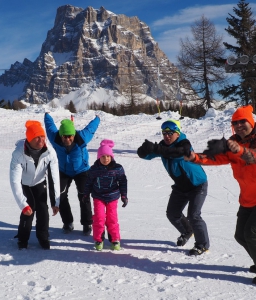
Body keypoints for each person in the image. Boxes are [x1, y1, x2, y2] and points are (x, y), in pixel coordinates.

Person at [184, 105, 256, 283]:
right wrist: (195, 158)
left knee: (251, 234)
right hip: (247, 198)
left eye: (242, 121)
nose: (239, 125)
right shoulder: (233, 142)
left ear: (251, 122)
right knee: (240, 236)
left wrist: (239, 150)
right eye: (235, 123)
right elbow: (217, 158)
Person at [137, 119, 210, 256]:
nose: (167, 136)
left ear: (178, 133)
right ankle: (187, 231)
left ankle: (202, 245)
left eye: (170, 133)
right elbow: (147, 155)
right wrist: (143, 150)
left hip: (197, 185)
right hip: (181, 187)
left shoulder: (184, 144)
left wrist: (157, 149)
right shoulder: (164, 146)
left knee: (194, 215)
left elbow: (178, 153)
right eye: (164, 133)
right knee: (172, 213)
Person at [44, 113, 100, 236]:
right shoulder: (55, 138)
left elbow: (91, 128)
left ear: (74, 135)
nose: (67, 139)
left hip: (82, 170)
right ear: (61, 135)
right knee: (61, 196)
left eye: (69, 136)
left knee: (84, 195)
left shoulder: (83, 138)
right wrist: (47, 115)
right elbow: (49, 126)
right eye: (64, 136)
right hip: (63, 170)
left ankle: (87, 223)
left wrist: (97, 118)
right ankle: (68, 222)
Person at [10, 120, 60, 249]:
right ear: (29, 139)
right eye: (37, 137)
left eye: (42, 136)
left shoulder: (50, 152)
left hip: (39, 182)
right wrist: (22, 204)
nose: (41, 140)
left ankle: (43, 237)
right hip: (24, 183)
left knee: (43, 209)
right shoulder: (18, 153)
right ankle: (22, 238)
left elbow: (54, 177)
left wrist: (56, 201)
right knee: (29, 209)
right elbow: (15, 181)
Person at [83, 139, 127, 251]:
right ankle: (98, 239)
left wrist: (124, 196)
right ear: (99, 157)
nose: (106, 159)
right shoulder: (94, 169)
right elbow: (88, 182)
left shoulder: (117, 169)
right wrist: (85, 194)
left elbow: (122, 182)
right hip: (98, 197)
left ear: (111, 157)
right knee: (99, 218)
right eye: (103, 156)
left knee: (112, 218)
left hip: (112, 197)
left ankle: (115, 240)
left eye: (108, 156)